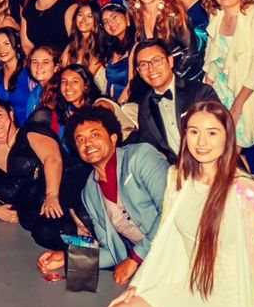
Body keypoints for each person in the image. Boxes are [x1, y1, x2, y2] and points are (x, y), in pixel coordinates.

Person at [106, 101, 254, 307]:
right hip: (193, 286)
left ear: (227, 137)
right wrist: (141, 283)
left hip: (233, 300)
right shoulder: (178, 177)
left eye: (212, 133)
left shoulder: (245, 191)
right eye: (193, 131)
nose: (201, 142)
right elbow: (166, 237)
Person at [37, 105, 167, 285]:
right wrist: (67, 257)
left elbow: (170, 210)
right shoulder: (89, 192)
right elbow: (112, 251)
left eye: (95, 134)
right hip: (150, 269)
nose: (87, 143)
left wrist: (135, 258)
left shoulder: (140, 157)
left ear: (113, 138)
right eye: (80, 140)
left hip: (181, 251)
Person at [0, 99, 70, 251]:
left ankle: (96, 252)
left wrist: (52, 195)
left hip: (61, 203)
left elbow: (53, 159)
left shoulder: (31, 134)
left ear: (11, 115)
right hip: (33, 223)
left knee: (58, 231)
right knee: (43, 234)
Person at [202, 0, 254, 148]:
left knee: (234, 147)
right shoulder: (216, 15)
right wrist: (205, 94)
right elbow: (212, 58)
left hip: (246, 90)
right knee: (218, 147)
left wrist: (238, 105)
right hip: (220, 90)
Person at [133, 39, 218, 162]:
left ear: (170, 61)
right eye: (143, 65)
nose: (151, 69)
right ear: (139, 72)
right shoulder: (145, 106)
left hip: (213, 163)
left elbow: (221, 135)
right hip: (177, 170)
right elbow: (148, 146)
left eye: (156, 61)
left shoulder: (201, 93)